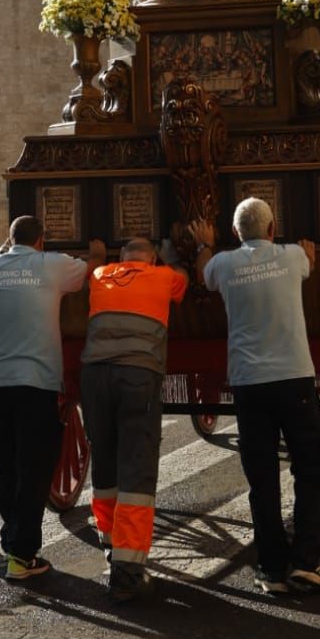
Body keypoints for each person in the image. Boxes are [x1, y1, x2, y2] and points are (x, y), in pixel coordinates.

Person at [194, 197, 320, 595]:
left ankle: (271, 568)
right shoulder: (292, 257)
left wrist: (205, 242)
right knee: (310, 468)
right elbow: (310, 263)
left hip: (248, 382)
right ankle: (306, 561)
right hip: (294, 378)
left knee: (262, 477)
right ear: (273, 229)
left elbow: (202, 271)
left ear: (236, 234)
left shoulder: (223, 264)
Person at [0, 216, 106, 581]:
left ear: (10, 240)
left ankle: (13, 537)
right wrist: (96, 252)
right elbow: (91, 270)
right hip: (35, 380)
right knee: (34, 467)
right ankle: (22, 553)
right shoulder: (51, 265)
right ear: (42, 242)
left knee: (5, 461)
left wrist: (7, 245)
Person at [80, 235, 189, 601]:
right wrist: (174, 259)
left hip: (95, 376)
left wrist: (97, 254)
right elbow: (184, 281)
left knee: (106, 459)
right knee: (137, 468)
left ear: (121, 258)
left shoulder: (99, 275)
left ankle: (110, 541)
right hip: (138, 376)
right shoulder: (161, 277)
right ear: (152, 259)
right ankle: (127, 571)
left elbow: (93, 262)